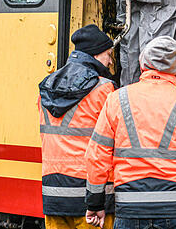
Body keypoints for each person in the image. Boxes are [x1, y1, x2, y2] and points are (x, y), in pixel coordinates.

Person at [83, 37, 176, 229]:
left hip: (130, 210)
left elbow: (97, 156)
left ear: (143, 65)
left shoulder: (116, 100)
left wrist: (95, 204)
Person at [39, 25, 118, 229]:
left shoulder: (46, 87)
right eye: (108, 54)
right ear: (95, 55)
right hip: (90, 197)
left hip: (53, 195)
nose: (110, 61)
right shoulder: (104, 89)